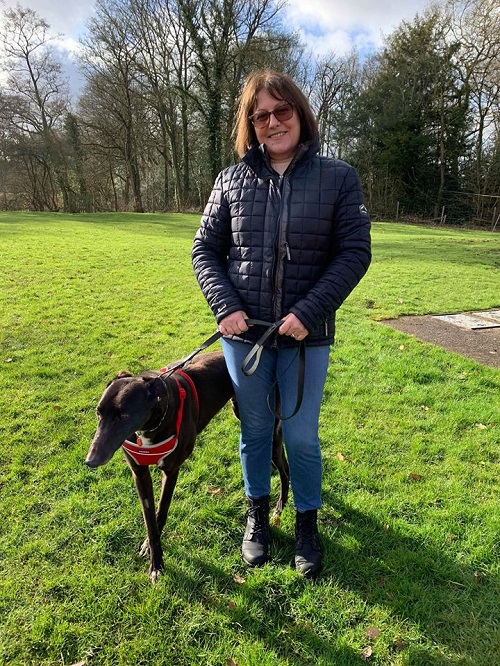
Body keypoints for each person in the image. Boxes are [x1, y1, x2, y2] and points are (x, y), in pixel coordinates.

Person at [192, 70, 371, 578]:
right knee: (253, 430)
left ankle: (306, 524)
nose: (273, 122)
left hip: (304, 338)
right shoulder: (230, 181)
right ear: (251, 124)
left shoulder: (340, 178)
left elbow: (355, 252)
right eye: (261, 115)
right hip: (243, 337)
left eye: (282, 111)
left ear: (300, 112)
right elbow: (204, 250)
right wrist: (224, 307)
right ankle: (256, 514)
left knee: (300, 435)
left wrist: (307, 312)